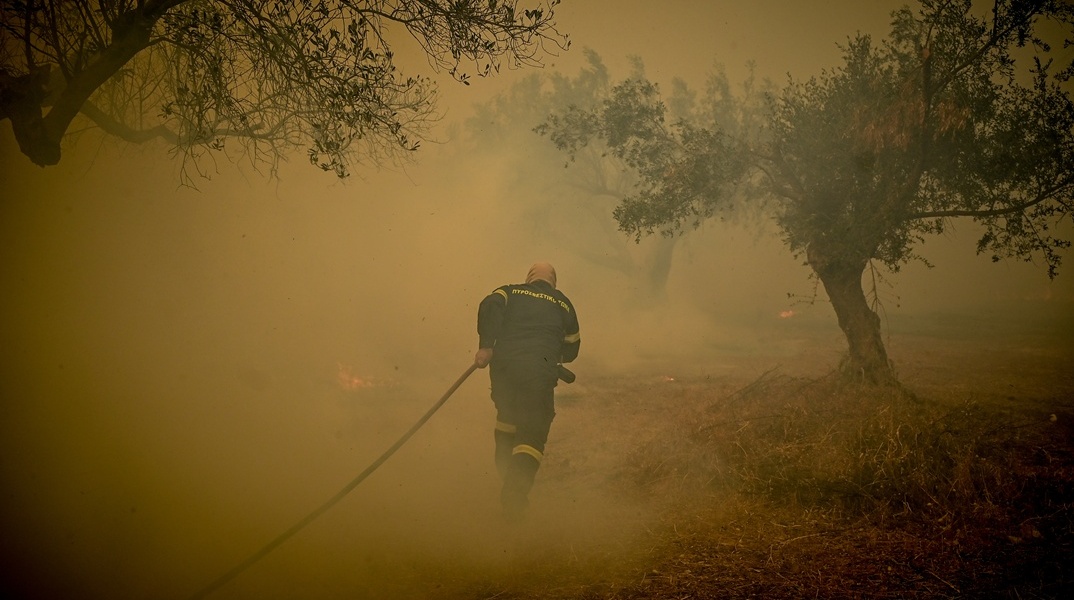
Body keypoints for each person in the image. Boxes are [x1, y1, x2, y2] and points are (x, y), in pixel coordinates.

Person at [474, 262, 581, 521]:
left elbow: (489, 305)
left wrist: (486, 346)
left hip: (504, 370)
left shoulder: (508, 292)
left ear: (529, 278)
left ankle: (507, 474)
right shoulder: (563, 303)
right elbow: (571, 350)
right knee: (532, 435)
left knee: (508, 419)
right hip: (538, 373)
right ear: (553, 281)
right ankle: (514, 496)